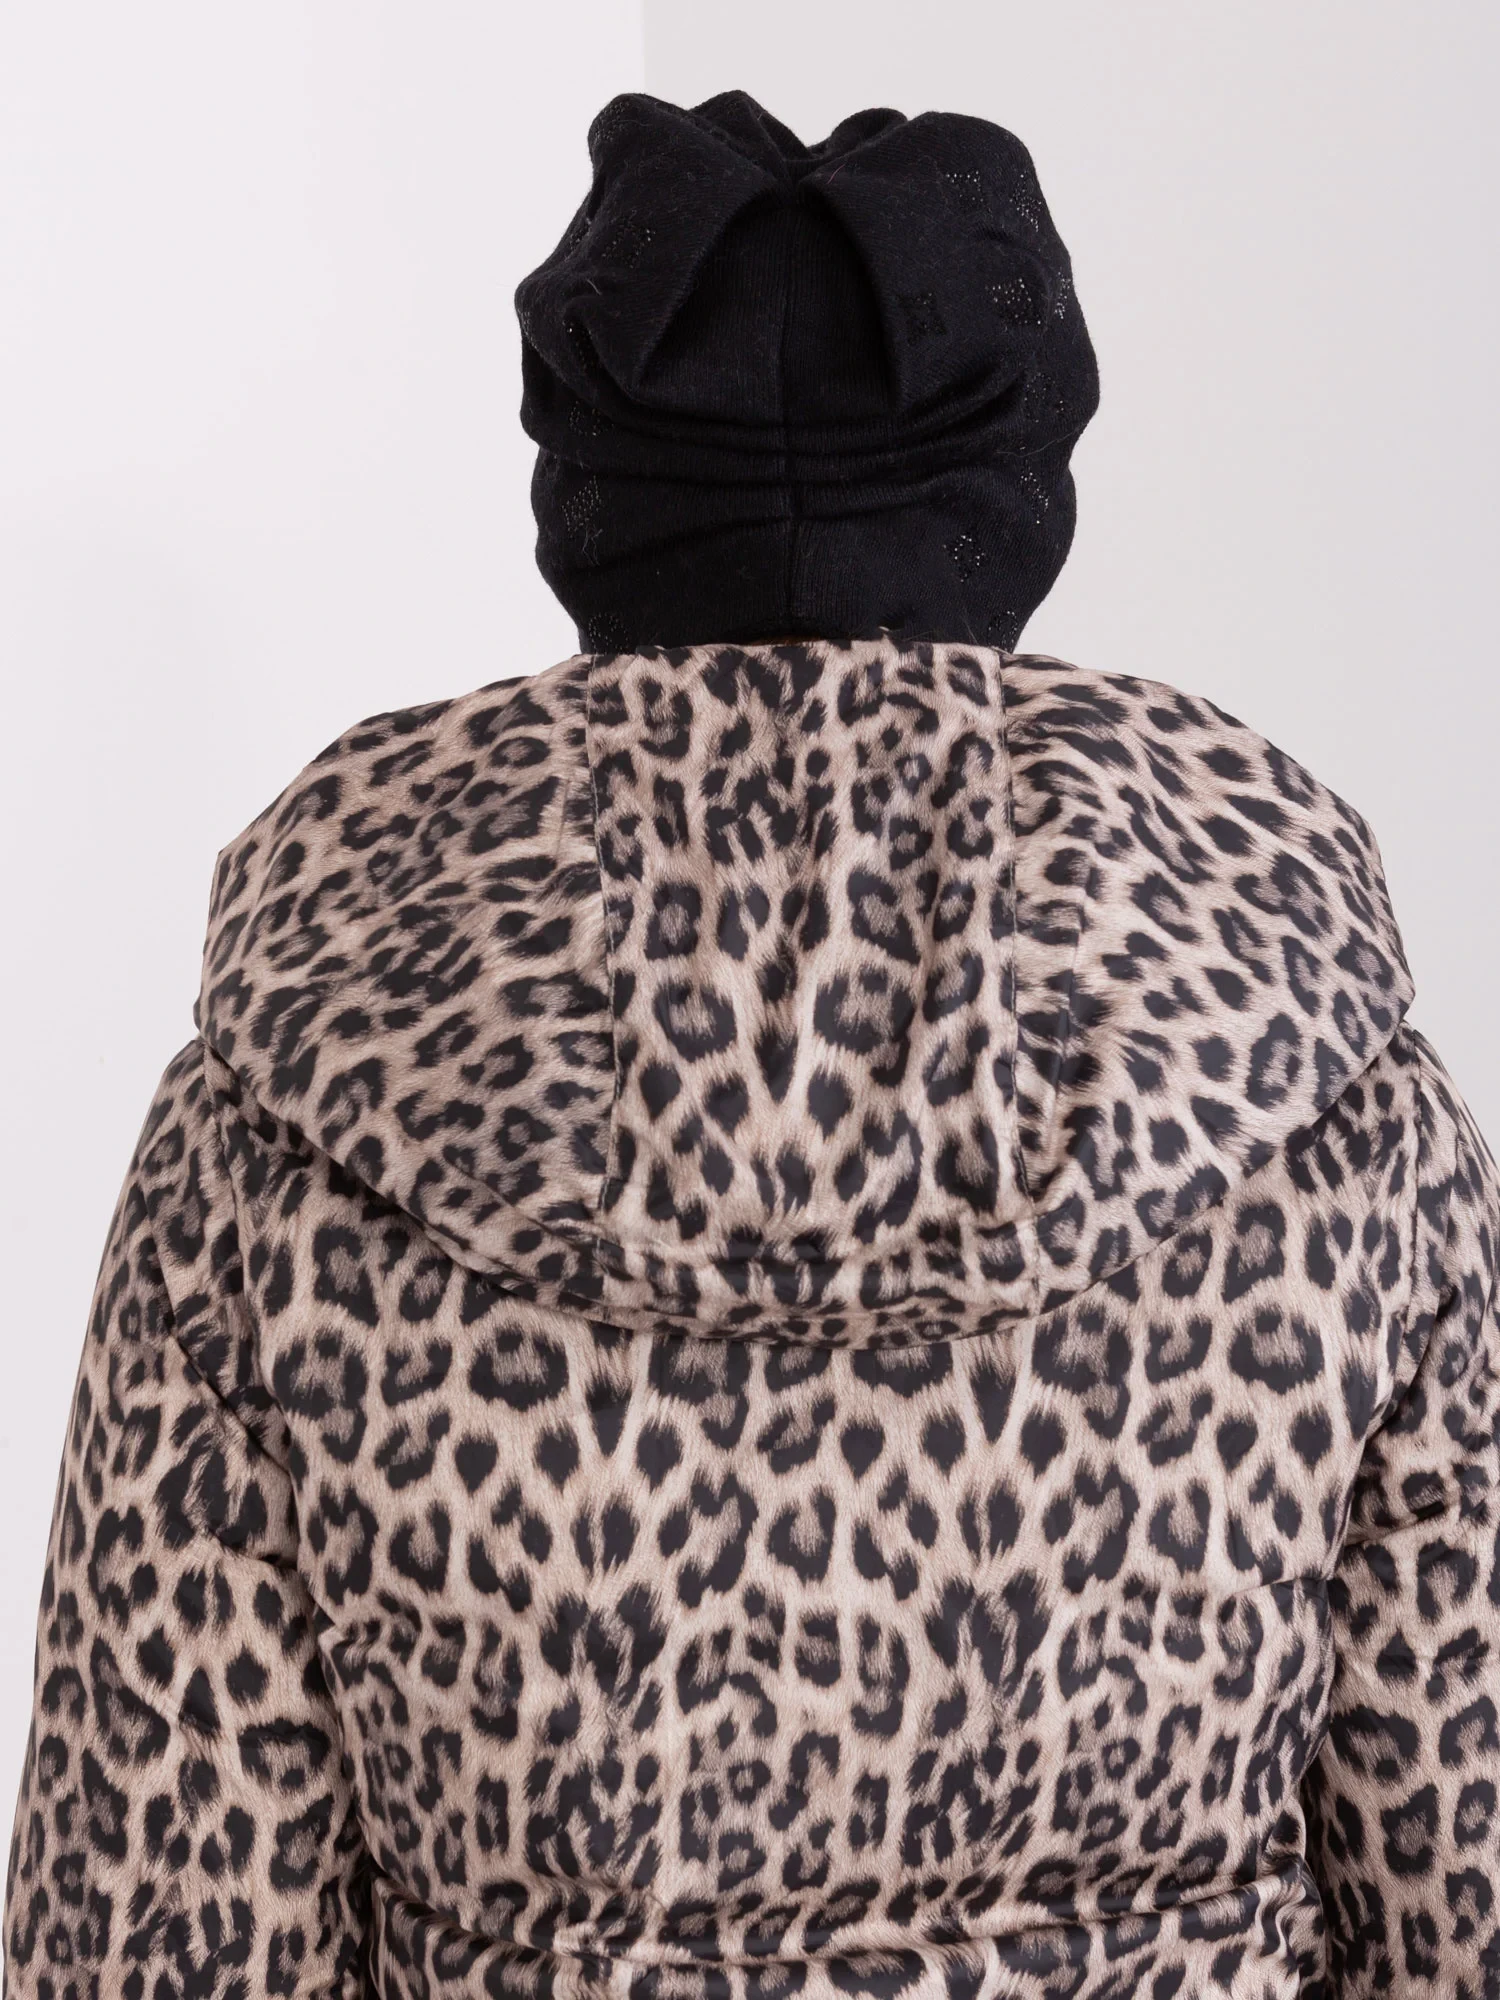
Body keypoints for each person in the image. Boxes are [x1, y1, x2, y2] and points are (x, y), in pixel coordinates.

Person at [4, 88, 1495, 2000]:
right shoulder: (1330, 1101)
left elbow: (154, 1919)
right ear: (1022, 489)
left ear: (586, 499)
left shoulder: (275, 1127)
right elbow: (1462, 1868)